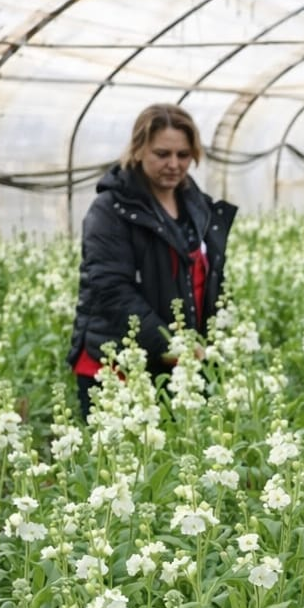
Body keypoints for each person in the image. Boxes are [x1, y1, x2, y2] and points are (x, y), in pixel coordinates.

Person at [68, 103, 235, 418]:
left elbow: (208, 278)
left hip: (177, 366)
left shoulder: (196, 206)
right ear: (139, 150)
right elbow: (111, 290)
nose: (174, 164)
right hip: (117, 368)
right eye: (162, 154)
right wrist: (170, 343)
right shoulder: (110, 210)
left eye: (183, 155)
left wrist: (219, 338)